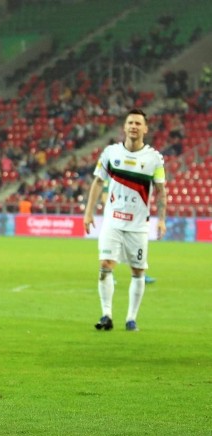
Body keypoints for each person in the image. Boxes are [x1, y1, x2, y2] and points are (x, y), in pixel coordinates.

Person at [83, 108, 167, 332]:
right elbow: (98, 182)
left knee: (138, 271)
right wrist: (88, 212)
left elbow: (161, 190)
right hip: (112, 221)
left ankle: (131, 318)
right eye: (130, 122)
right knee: (104, 265)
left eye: (138, 123)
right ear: (124, 126)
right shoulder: (110, 153)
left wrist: (162, 219)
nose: (133, 126)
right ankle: (106, 314)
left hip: (138, 226)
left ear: (145, 129)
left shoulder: (154, 159)